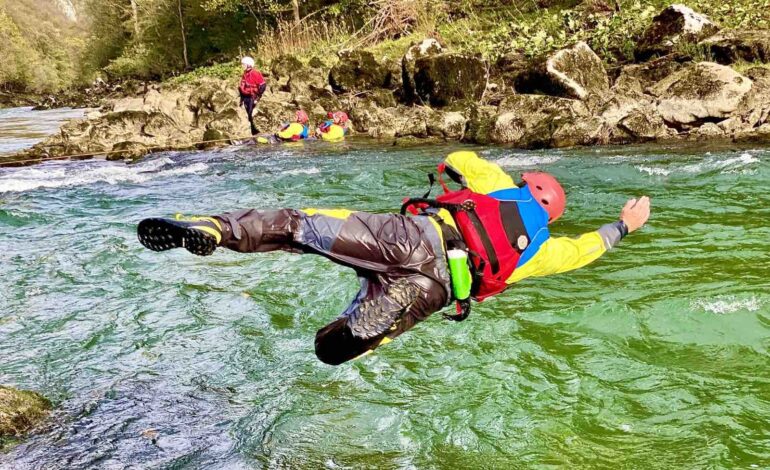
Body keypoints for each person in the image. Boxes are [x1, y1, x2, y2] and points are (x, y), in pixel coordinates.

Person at [137, 151, 651, 366]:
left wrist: (449, 167)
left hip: (412, 237)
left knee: (299, 227)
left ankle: (216, 229)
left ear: (524, 187)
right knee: (345, 343)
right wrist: (625, 224)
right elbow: (589, 249)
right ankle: (350, 335)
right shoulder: (543, 250)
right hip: (439, 288)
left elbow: (461, 160)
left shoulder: (497, 184)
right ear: (552, 218)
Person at [238, 56, 267, 136]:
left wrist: (257, 98)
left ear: (249, 65)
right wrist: (241, 100)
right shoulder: (245, 74)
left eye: (243, 64)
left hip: (252, 97)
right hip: (246, 97)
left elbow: (263, 86)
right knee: (248, 114)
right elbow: (243, 88)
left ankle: (256, 132)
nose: (242, 66)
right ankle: (252, 132)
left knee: (251, 114)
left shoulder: (255, 73)